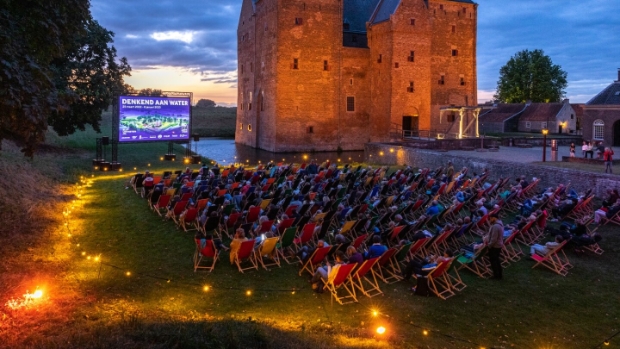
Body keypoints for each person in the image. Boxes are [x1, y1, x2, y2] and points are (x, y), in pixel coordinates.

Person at [485, 215, 504, 280]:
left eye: (490, 218)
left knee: (494, 261)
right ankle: (499, 274)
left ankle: (496, 275)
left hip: (495, 246)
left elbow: (494, 238)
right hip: (498, 245)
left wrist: (489, 246)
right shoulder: (499, 224)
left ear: (494, 218)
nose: (489, 220)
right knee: (496, 260)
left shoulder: (496, 226)